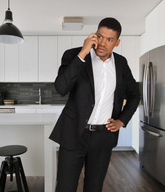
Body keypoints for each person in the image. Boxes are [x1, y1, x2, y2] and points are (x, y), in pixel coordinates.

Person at [49, 17, 140, 192]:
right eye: (100, 36)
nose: (102, 43)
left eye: (109, 39)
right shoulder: (73, 55)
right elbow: (61, 88)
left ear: (117, 42)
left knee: (94, 187)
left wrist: (122, 120)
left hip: (103, 137)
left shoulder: (121, 63)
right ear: (94, 35)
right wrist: (82, 53)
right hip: (74, 134)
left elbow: (135, 95)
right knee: (65, 187)